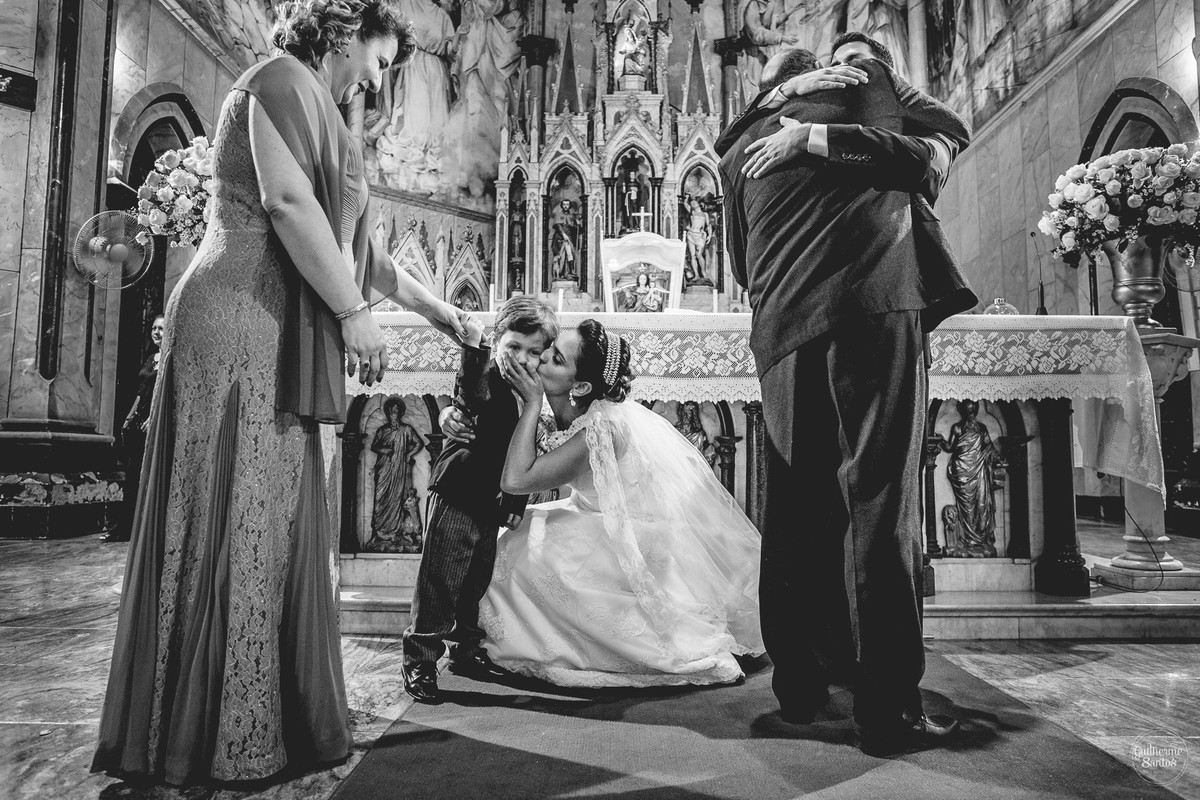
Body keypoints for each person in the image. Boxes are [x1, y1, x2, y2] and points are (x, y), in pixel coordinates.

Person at [92, 0, 470, 784]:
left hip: (272, 321)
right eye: (380, 58)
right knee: (236, 507)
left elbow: (359, 255)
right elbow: (286, 206)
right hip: (238, 313)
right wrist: (352, 315)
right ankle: (212, 729)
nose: (382, 76)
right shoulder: (280, 81)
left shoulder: (323, 110)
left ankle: (264, 715)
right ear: (341, 37)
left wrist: (443, 314)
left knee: (268, 509)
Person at [717, 39, 976, 757]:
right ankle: (888, 709)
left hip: (780, 328)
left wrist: (785, 122)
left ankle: (799, 683)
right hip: (868, 305)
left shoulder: (739, 146)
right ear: (819, 73)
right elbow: (936, 145)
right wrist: (831, 130)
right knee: (880, 501)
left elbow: (739, 263)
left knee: (796, 506)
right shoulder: (866, 81)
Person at [474, 319, 763, 687]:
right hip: (596, 516)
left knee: (521, 558)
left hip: (628, 538)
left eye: (556, 358)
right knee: (522, 534)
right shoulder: (580, 406)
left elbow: (515, 480)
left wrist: (532, 402)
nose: (542, 357)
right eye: (549, 349)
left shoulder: (601, 428)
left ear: (579, 386)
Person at [402, 296, 559, 703]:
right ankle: (419, 658)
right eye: (513, 347)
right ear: (497, 341)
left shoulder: (533, 394)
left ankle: (465, 651)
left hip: (490, 501)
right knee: (440, 580)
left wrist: (514, 505)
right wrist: (473, 347)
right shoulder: (486, 374)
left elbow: (529, 456)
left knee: (475, 581)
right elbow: (471, 393)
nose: (521, 359)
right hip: (458, 491)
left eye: (534, 352)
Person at [102, 315, 165, 544]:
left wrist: (153, 417)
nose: (156, 332)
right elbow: (141, 392)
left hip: (155, 425)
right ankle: (122, 529)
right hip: (137, 425)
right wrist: (128, 418)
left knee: (146, 477)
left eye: (161, 328)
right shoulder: (151, 359)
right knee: (131, 479)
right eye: (153, 328)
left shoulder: (170, 358)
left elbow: (166, 394)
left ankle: (143, 529)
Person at [369, 397, 426, 549]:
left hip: (399, 470)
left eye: (396, 411)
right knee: (380, 499)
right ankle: (380, 533)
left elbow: (419, 443)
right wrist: (383, 450)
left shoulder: (406, 430)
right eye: (391, 411)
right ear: (387, 413)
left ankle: (396, 533)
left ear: (400, 413)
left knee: (397, 499)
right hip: (385, 469)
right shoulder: (383, 430)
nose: (393, 414)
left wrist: (408, 454)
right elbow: (374, 447)